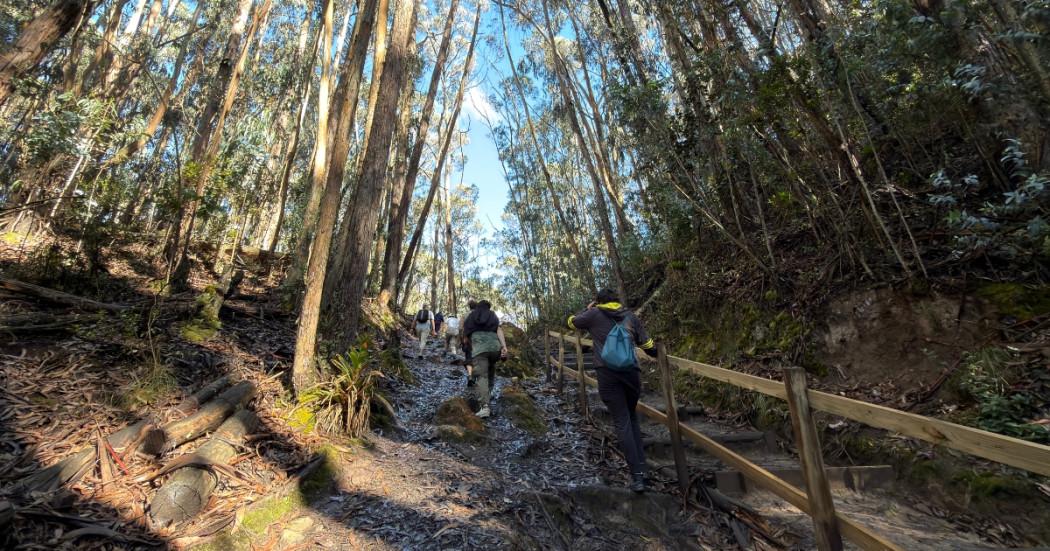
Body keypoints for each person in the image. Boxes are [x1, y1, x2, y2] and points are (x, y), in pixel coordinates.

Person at [568, 288, 656, 493]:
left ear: (598, 302)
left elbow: (572, 322)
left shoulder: (594, 314)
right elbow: (648, 345)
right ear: (616, 301)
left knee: (622, 421)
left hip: (607, 374)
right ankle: (643, 473)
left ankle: (637, 478)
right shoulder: (630, 317)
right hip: (631, 373)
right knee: (631, 418)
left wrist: (588, 308)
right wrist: (658, 353)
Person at [463, 299, 508, 419]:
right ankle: (489, 392)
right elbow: (499, 330)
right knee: (491, 367)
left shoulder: (472, 315)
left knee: (481, 376)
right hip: (495, 348)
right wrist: (504, 347)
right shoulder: (492, 315)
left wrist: (468, 346)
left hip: (480, 349)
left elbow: (466, 336)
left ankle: (485, 407)